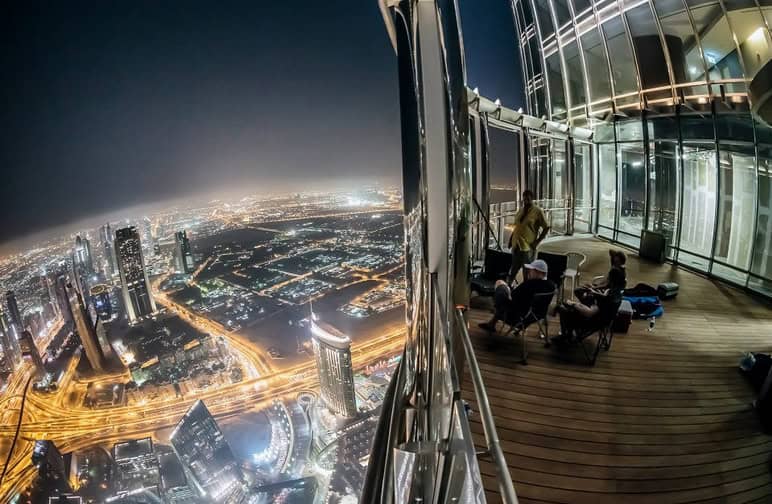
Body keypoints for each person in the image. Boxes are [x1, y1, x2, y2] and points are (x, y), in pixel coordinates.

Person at [479, 259, 555, 332]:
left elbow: (512, 296)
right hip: (534, 316)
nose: (528, 272)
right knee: (504, 292)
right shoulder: (551, 286)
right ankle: (492, 322)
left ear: (538, 272)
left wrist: (508, 289)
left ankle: (494, 315)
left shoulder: (529, 284)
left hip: (515, 317)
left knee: (500, 283)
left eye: (531, 270)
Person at [557, 266, 625, 341]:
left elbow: (589, 312)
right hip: (604, 319)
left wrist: (573, 304)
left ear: (612, 279)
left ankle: (567, 335)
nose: (607, 278)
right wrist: (594, 290)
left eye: (609, 277)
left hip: (593, 322)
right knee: (575, 299)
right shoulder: (616, 293)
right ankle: (570, 333)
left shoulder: (607, 299)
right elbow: (603, 297)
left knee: (563, 309)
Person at [508, 190, 550, 284]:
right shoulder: (520, 210)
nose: (525, 200)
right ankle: (508, 289)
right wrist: (511, 239)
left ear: (532, 198)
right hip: (516, 245)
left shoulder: (538, 211)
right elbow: (516, 227)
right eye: (524, 198)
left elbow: (546, 227)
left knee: (527, 272)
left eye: (528, 198)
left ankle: (527, 291)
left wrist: (537, 242)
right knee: (513, 269)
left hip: (528, 246)